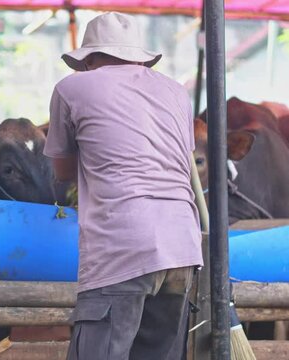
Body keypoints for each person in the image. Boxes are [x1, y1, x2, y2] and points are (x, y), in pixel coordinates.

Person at [44, 12, 203, 360]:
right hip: (182, 245)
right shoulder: (175, 91)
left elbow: (63, 169)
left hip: (122, 245)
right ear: (139, 57)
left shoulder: (72, 88)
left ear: (89, 59)